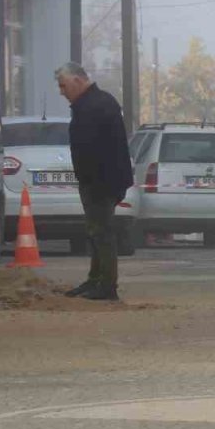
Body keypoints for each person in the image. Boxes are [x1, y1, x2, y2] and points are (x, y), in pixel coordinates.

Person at [57, 63, 133, 300]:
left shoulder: (96, 105)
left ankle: (107, 286)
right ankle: (96, 279)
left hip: (100, 182)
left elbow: (100, 149)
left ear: (78, 81)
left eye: (63, 85)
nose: (62, 91)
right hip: (97, 180)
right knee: (96, 231)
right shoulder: (92, 103)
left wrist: (98, 183)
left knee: (102, 233)